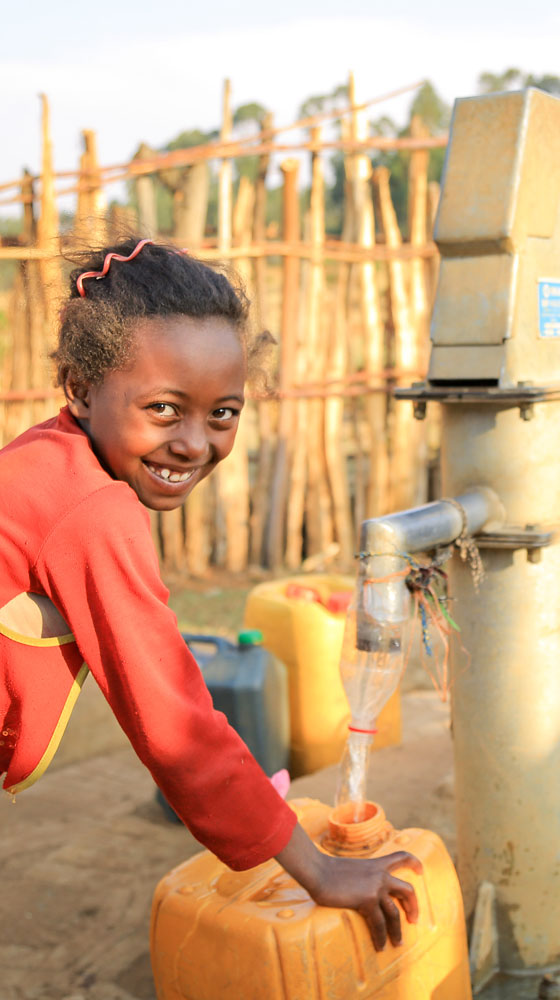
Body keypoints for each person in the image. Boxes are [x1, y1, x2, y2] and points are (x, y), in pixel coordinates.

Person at [0, 236, 420, 950]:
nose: (196, 444)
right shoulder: (91, 512)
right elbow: (174, 723)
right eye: (165, 410)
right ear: (78, 387)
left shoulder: (42, 463)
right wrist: (317, 869)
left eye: (222, 413)